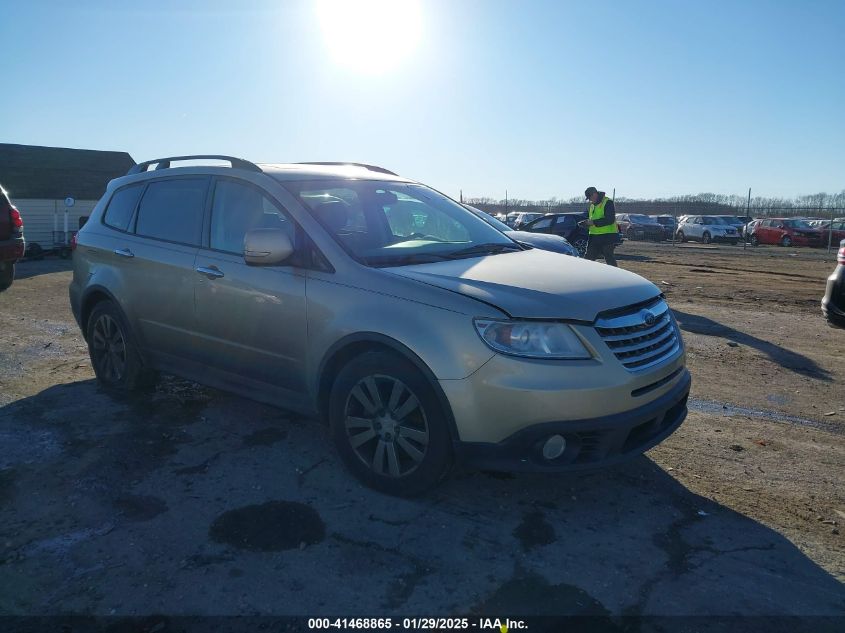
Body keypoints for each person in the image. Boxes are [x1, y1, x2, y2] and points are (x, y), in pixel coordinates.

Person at [581, 186, 618, 267]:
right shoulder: (592, 205)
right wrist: (586, 223)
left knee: (608, 257)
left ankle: (616, 277)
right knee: (588, 258)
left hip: (608, 236)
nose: (590, 200)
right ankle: (585, 276)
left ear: (595, 194)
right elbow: (592, 218)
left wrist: (593, 222)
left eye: (590, 197)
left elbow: (610, 219)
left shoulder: (608, 202)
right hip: (594, 236)